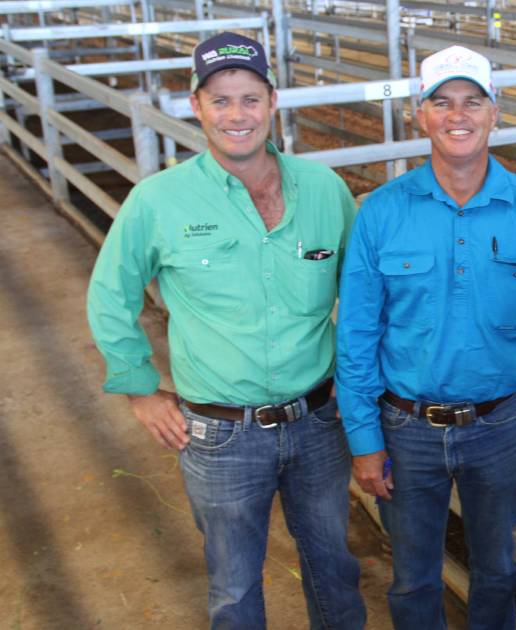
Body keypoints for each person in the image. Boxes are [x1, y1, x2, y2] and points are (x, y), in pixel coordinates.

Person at [336, 45, 516, 629]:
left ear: (494, 113)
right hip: (404, 428)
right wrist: (364, 438)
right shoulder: (382, 212)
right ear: (419, 116)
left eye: (473, 101)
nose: (458, 114)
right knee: (413, 575)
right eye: (442, 102)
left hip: (496, 426)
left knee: (496, 566)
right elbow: (356, 335)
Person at [86, 31, 366, 629]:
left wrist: (355, 374)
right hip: (218, 434)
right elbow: (111, 294)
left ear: (272, 102)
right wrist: (139, 388)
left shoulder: (324, 191)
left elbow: (363, 294)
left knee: (334, 570)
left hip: (318, 421)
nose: (236, 115)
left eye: (249, 99)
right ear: (196, 105)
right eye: (220, 100)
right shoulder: (158, 201)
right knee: (235, 587)